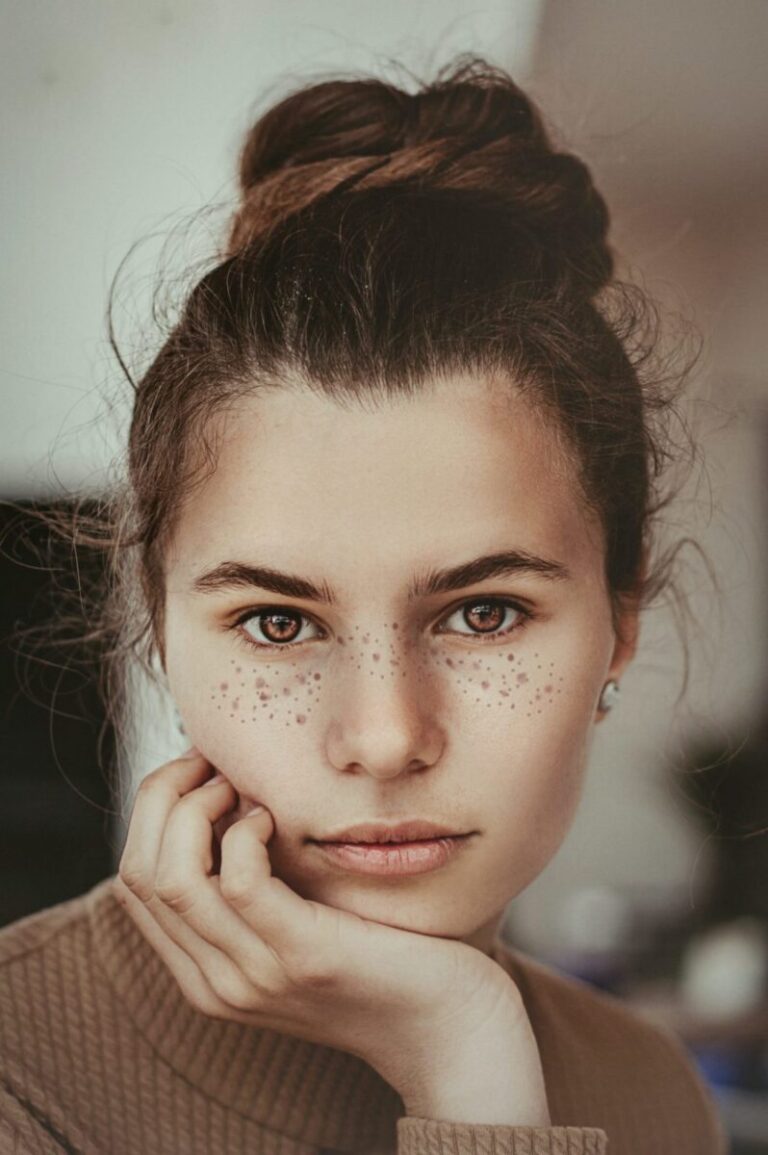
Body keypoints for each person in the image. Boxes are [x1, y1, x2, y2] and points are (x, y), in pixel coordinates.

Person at [0, 54, 727, 1155]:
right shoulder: (20, 1078)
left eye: (483, 613)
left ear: (620, 623)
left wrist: (468, 1062)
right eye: (278, 623)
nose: (384, 738)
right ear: (156, 629)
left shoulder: (650, 1095)